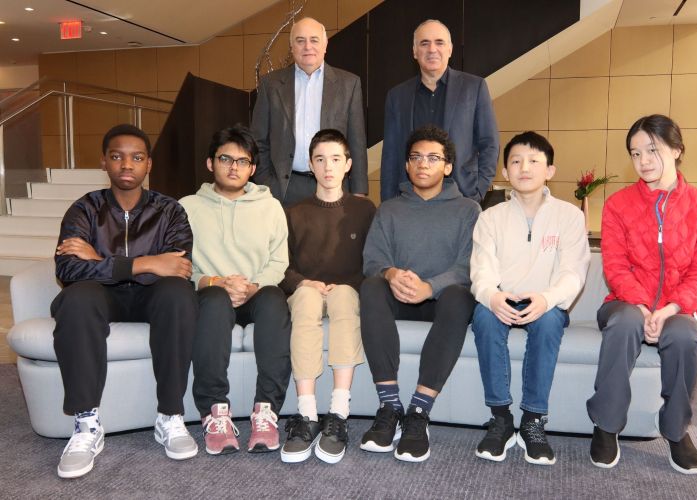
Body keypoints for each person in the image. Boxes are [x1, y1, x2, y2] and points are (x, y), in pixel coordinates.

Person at [53, 124, 198, 478]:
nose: (127, 165)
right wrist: (144, 264)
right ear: (104, 162)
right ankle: (86, 424)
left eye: (137, 157)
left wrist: (99, 259)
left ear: (149, 164)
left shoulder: (170, 211)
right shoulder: (84, 209)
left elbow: (177, 268)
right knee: (77, 297)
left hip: (153, 297)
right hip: (101, 296)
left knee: (178, 293)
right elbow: (68, 268)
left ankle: (170, 416)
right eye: (117, 156)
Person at [586, 114, 697, 474]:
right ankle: (606, 425)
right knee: (625, 322)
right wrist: (645, 308)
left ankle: (676, 429)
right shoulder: (618, 205)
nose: (643, 161)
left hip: (678, 307)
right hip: (625, 302)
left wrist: (670, 309)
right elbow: (615, 267)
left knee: (684, 333)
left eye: (652, 150)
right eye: (635, 153)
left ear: (676, 150)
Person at [359, 125, 480, 462]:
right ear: (407, 165)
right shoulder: (389, 209)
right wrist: (391, 273)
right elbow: (373, 260)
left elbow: (469, 265)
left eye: (432, 158)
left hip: (442, 304)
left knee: (459, 296)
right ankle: (389, 406)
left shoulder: (468, 210)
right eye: (415, 157)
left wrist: (430, 286)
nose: (423, 164)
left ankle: (419, 412)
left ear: (448, 166)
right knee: (371, 286)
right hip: (398, 299)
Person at [470, 132, 590, 466]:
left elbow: (573, 272)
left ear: (550, 170)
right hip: (503, 298)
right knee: (483, 316)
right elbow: (481, 270)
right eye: (516, 161)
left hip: (546, 302)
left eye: (534, 161)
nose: (525, 168)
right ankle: (500, 419)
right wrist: (492, 296)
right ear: (505, 172)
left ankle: (533, 421)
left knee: (550, 321)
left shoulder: (569, 216)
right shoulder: (490, 217)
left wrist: (547, 298)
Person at [179, 124, 291, 456]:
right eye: (225, 159)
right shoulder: (186, 207)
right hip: (211, 294)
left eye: (243, 161)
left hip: (255, 293)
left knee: (275, 298)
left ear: (252, 169)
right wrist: (214, 282)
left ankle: (266, 412)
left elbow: (279, 261)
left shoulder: (270, 207)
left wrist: (252, 287)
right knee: (214, 300)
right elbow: (179, 264)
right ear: (210, 163)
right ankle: (215, 412)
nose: (233, 167)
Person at [278, 129, 376, 464]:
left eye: (335, 159)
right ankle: (307, 415)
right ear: (310, 165)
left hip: (346, 290)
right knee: (306, 300)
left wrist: (346, 284)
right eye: (320, 159)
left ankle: (338, 413)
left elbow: (373, 261)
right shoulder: (293, 211)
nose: (328, 167)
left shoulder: (364, 210)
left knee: (345, 298)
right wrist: (304, 282)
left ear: (348, 164)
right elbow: (281, 265)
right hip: (306, 289)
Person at [250, 16, 368, 206]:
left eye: (314, 40)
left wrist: (358, 191)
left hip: (333, 188)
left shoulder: (349, 84)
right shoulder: (270, 85)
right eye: (300, 41)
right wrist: (266, 183)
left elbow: (357, 142)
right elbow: (258, 140)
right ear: (292, 47)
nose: (307, 47)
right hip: (283, 190)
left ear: (325, 45)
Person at [379, 19, 499, 203]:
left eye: (439, 42)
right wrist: (388, 203)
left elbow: (489, 143)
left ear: (450, 49)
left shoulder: (474, 88)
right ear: (414, 51)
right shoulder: (397, 96)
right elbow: (390, 155)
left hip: (462, 197)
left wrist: (478, 191)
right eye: (424, 43)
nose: (432, 49)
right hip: (409, 201)